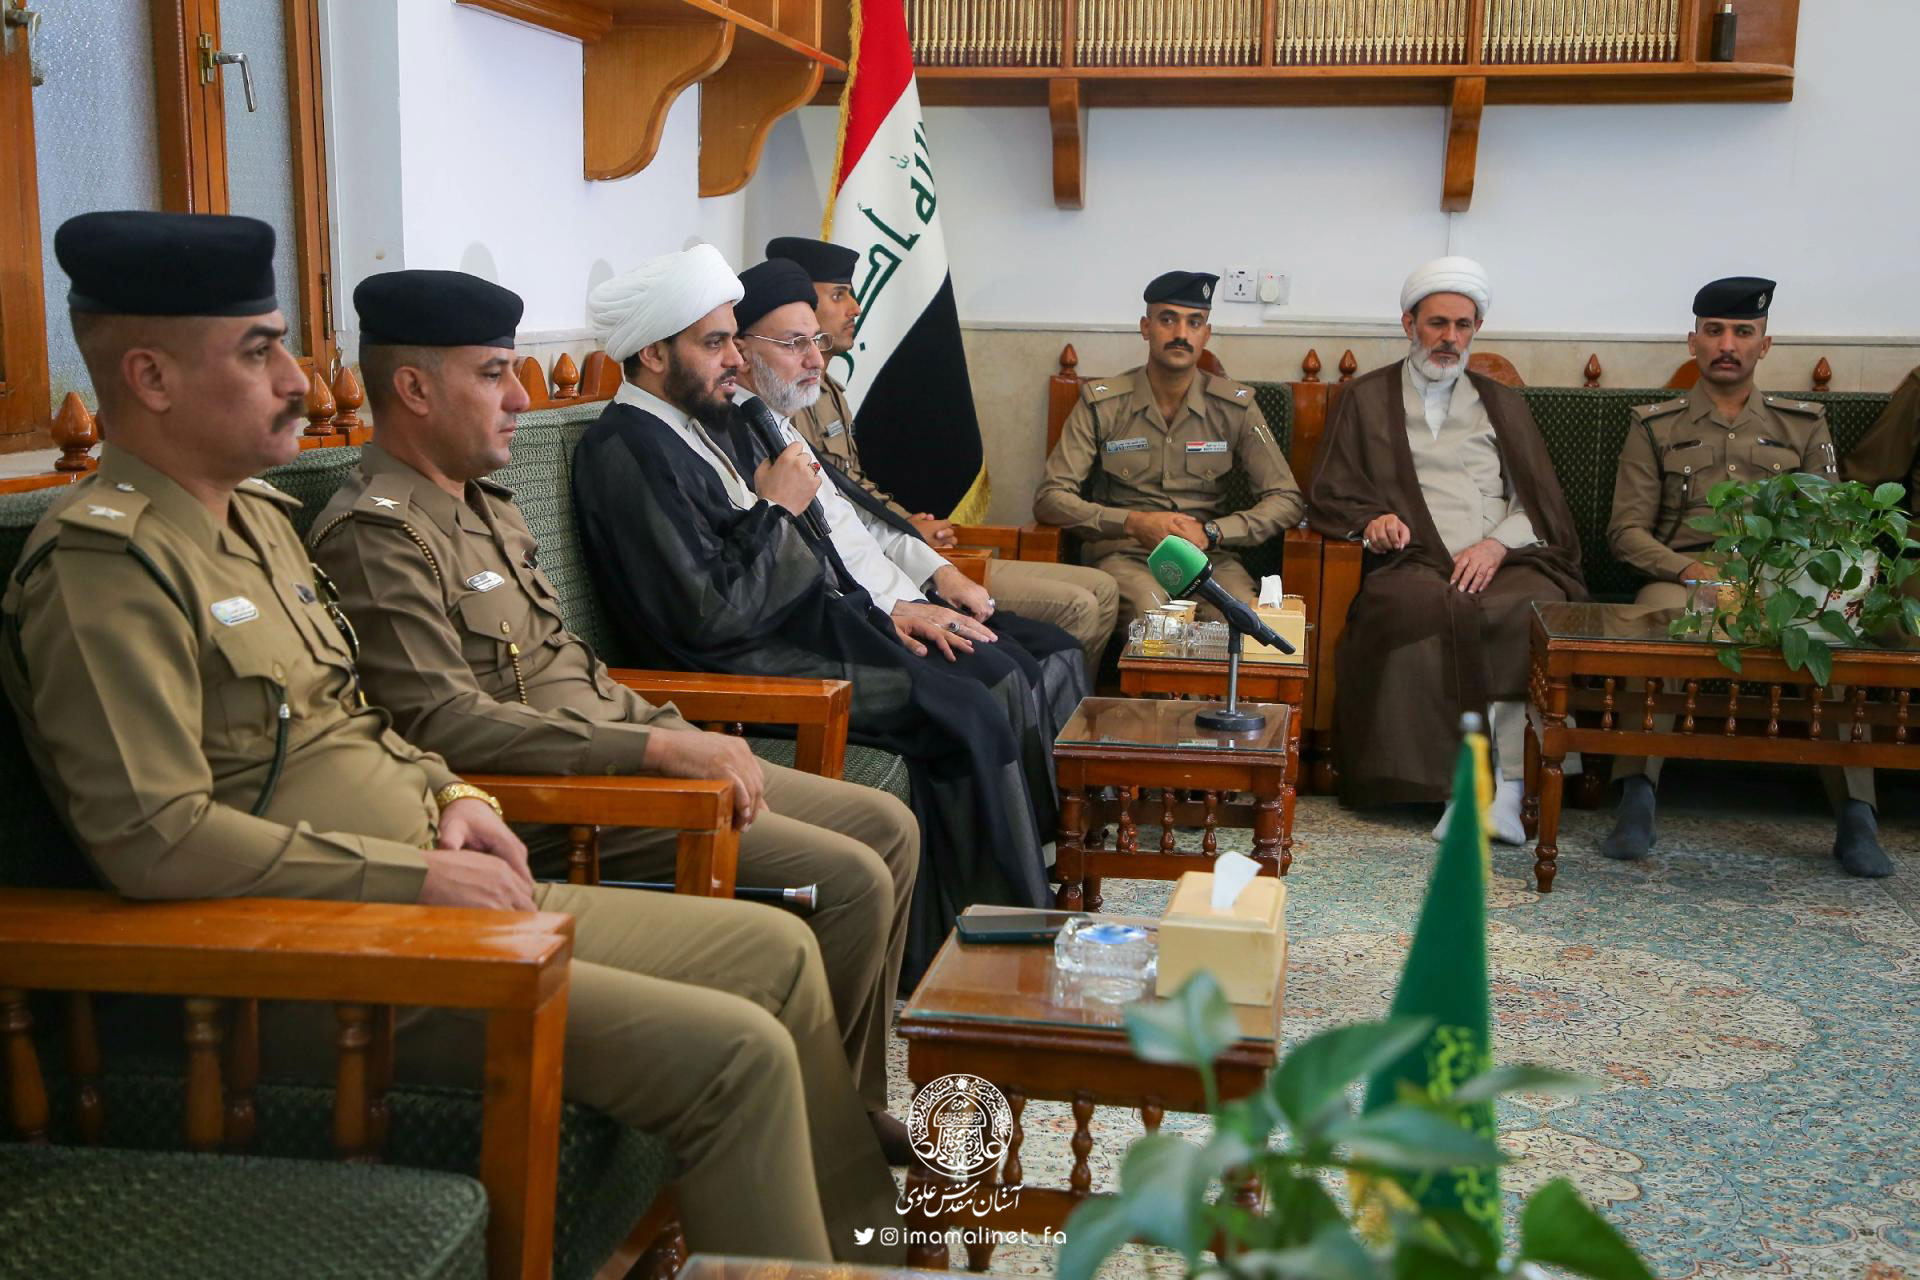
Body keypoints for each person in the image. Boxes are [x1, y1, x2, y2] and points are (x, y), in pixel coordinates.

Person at [0, 211, 900, 1263]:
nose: (297, 379)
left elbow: (362, 722)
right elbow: (155, 841)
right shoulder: (104, 565)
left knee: (775, 952)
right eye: (258, 352)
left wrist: (453, 799)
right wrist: (414, 876)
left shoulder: (255, 525)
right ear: (150, 377)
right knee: (735, 1051)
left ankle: (860, 1250)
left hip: (433, 884)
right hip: (308, 951)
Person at [307, 268, 919, 1151]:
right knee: (851, 877)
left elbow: (570, 668)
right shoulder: (380, 534)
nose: (521, 398)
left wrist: (667, 727)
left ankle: (845, 1106)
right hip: (565, 798)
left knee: (888, 827)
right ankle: (822, 1133)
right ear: (413, 388)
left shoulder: (487, 508)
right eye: (493, 375)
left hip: (626, 747)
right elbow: (440, 725)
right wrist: (657, 754)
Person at [571, 244, 1062, 978]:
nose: (734, 360)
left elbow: (807, 549)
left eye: (733, 340)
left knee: (980, 682)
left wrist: (882, 610)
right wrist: (775, 510)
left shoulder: (699, 421)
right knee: (967, 709)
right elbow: (708, 614)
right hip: (740, 668)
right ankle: (975, 958)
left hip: (799, 628)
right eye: (715, 343)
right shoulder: (624, 449)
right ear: (652, 354)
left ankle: (983, 932)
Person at [1605, 277, 1888, 877]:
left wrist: (1785, 580)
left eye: (1743, 332)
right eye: (1714, 331)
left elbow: (1831, 527)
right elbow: (1626, 532)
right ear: (1693, 342)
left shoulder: (1803, 425)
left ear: (1765, 344)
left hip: (1782, 581)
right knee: (1658, 621)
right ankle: (1636, 795)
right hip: (1685, 574)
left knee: (1828, 638)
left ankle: (1857, 815)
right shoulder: (1653, 425)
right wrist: (1690, 570)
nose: (1727, 344)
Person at [728, 257, 1087, 729]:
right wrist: (888, 610)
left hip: (901, 594)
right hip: (864, 620)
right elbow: (792, 569)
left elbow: (861, 518)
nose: (815, 359)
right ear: (741, 352)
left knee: (1054, 651)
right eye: (796, 344)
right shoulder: (738, 442)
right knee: (1003, 678)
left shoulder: (781, 419)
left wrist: (940, 573)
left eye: (815, 341)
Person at [1307, 257, 1585, 838]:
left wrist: (1495, 547)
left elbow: (1538, 504)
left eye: (1462, 325)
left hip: (1505, 559)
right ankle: (1457, 787)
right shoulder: (1365, 398)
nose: (1449, 338)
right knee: (1408, 608)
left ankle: (1509, 789)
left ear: (1476, 329)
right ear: (1409, 324)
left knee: (1527, 609)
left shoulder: (1502, 403)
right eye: (1437, 323)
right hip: (1413, 561)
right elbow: (1333, 490)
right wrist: (1374, 521)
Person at [769, 235, 1120, 675]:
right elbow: (826, 509)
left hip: (899, 548)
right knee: (1065, 620)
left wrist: (903, 524)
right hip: (873, 570)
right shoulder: (782, 402)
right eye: (839, 295)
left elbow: (852, 486)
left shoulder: (828, 391)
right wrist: (905, 530)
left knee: (1097, 596)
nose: (855, 308)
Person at [1032, 269, 1303, 633]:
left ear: (1206, 333)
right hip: (1126, 556)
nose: (1181, 334)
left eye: (1194, 323)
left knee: (1241, 622)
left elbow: (1287, 499)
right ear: (1146, 327)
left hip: (1208, 557)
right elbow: (1050, 498)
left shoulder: (1235, 407)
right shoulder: (1104, 404)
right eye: (1168, 320)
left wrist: (1213, 531)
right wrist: (1133, 523)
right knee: (1156, 619)